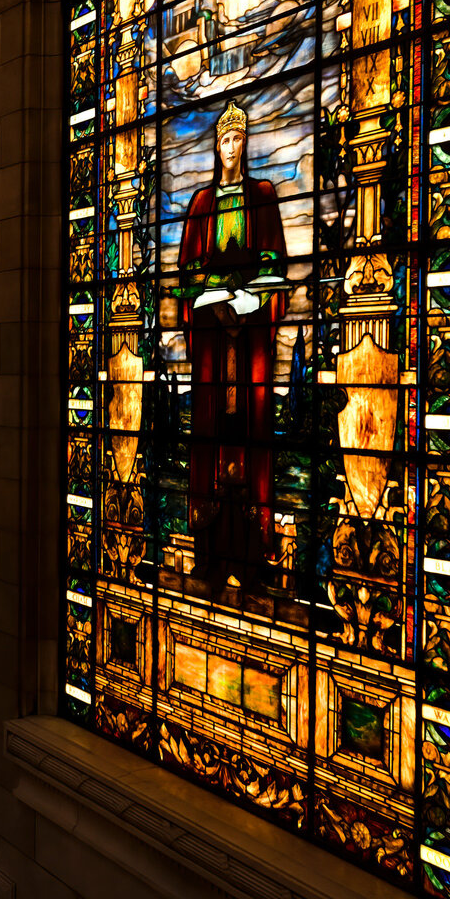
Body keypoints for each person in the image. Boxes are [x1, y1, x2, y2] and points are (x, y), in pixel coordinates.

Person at [176, 99, 287, 595]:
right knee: (210, 432)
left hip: (250, 336)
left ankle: (252, 556)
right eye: (223, 139)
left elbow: (275, 263)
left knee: (251, 428)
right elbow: (185, 272)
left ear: (246, 143)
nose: (230, 147)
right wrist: (212, 302)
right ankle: (207, 551)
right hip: (212, 336)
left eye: (237, 138)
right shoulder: (201, 204)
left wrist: (248, 301)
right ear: (215, 145)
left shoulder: (262, 196)